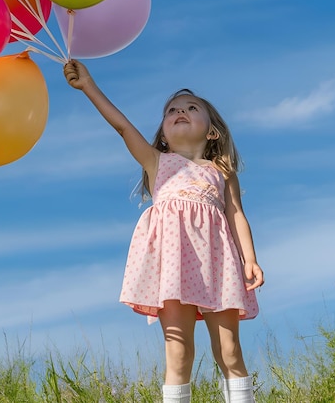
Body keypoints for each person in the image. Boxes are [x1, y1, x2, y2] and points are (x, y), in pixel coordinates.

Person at [63, 59, 264, 403]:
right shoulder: (157, 162)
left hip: (219, 263)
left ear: (212, 130)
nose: (179, 112)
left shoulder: (221, 169)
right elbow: (123, 127)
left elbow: (236, 214)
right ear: (163, 135)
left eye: (191, 108)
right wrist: (89, 87)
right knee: (178, 351)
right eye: (171, 110)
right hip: (173, 265)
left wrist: (250, 258)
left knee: (229, 350)